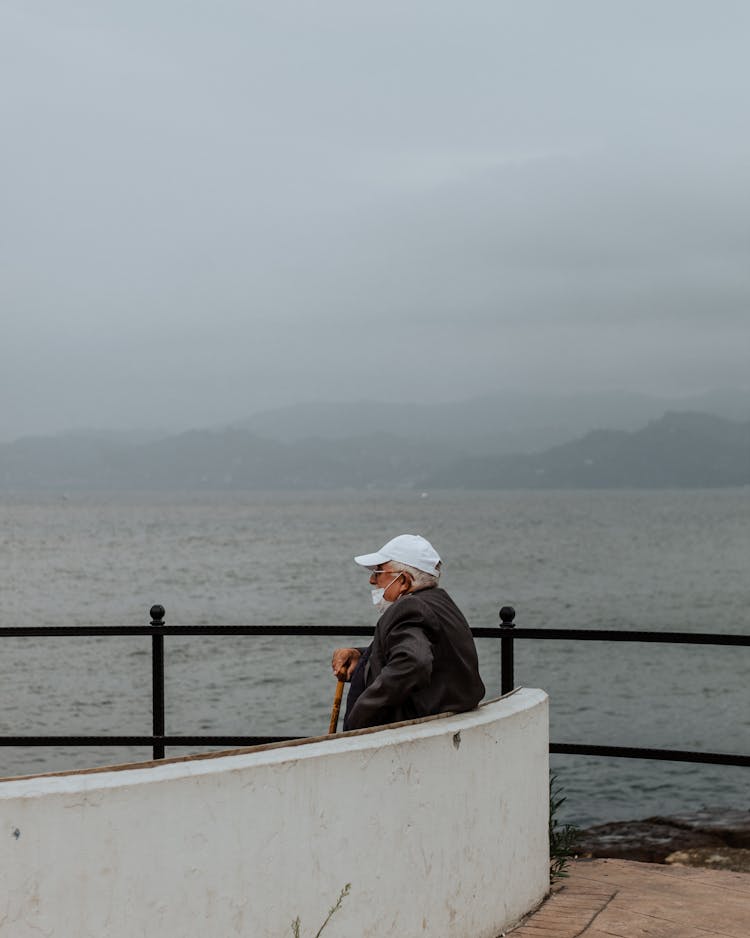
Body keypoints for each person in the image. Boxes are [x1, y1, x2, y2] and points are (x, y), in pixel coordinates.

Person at [331, 534, 485, 731]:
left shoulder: (410, 608)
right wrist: (362, 658)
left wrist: (360, 717)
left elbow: (415, 662)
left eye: (378, 572)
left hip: (404, 738)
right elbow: (429, 650)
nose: (371, 580)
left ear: (403, 580)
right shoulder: (438, 602)